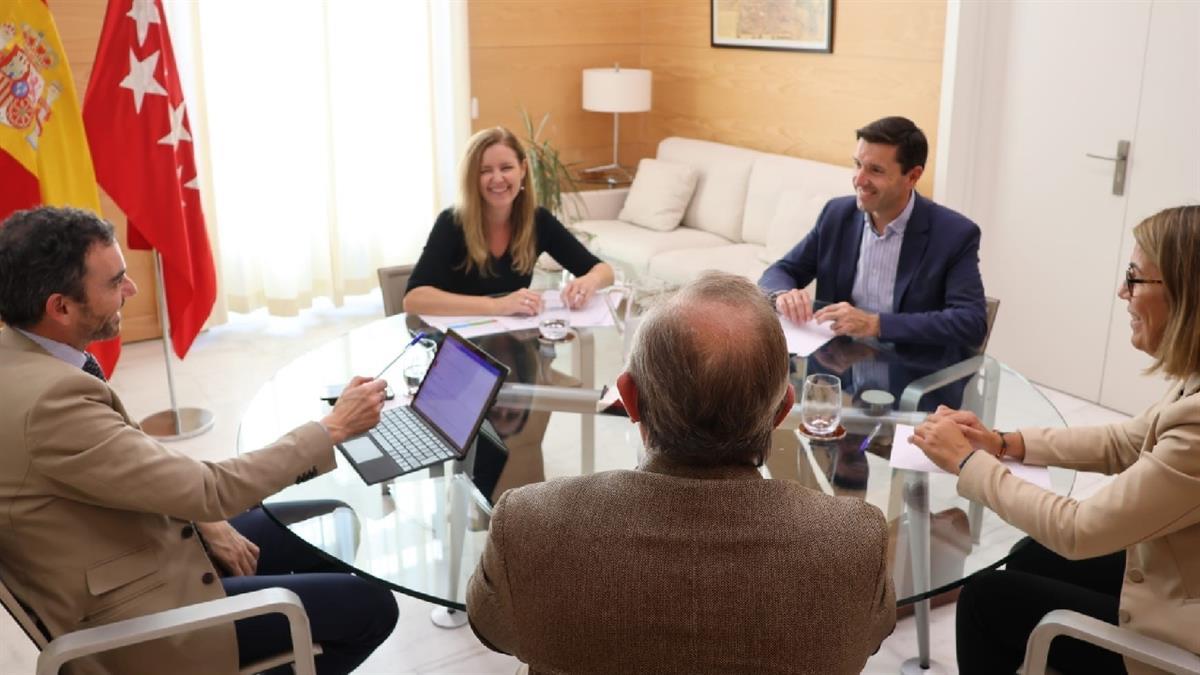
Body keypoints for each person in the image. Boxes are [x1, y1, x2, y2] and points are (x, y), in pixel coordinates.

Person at [0, 206, 398, 675]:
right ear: (60, 308)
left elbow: (135, 464)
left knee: (330, 524)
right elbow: (210, 490)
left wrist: (203, 518)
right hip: (148, 621)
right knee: (372, 606)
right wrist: (332, 428)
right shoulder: (52, 403)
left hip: (139, 547)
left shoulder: (24, 357)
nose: (132, 290)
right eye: (115, 283)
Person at [466, 271, 896, 674]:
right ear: (782, 410)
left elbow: (491, 628)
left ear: (629, 399)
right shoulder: (852, 542)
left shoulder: (528, 524)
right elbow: (870, 636)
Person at [911, 205, 1200, 675]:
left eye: (1135, 277)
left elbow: (1079, 529)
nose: (1122, 291)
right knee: (1028, 555)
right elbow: (1124, 442)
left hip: (1176, 642)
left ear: (1187, 294)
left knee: (985, 600)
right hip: (1176, 578)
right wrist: (1002, 442)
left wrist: (968, 464)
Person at [758, 116, 987, 347]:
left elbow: (971, 322)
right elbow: (781, 271)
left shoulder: (954, 234)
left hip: (913, 376)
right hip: (838, 368)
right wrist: (782, 295)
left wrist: (876, 324)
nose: (859, 180)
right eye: (858, 164)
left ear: (913, 176)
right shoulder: (836, 215)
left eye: (875, 170)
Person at [403, 126, 614, 316]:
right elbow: (414, 299)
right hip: (460, 346)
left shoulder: (538, 220)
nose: (497, 178)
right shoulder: (452, 222)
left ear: (522, 169)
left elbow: (603, 271)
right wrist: (497, 306)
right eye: (485, 170)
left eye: (506, 168)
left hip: (516, 345)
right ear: (472, 178)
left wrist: (589, 281)